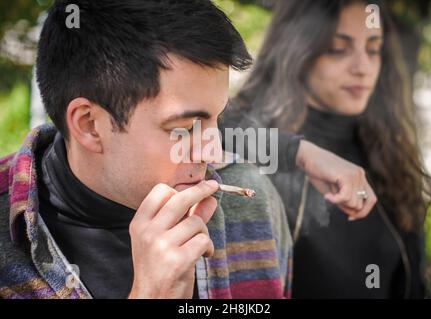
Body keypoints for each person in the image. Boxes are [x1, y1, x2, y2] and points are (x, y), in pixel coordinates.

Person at [1, 0, 374, 299]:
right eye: (184, 129)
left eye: (216, 119)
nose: (212, 154)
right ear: (89, 125)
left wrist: (298, 151)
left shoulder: (250, 202)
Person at [221, 0, 431, 298]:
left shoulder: (389, 150)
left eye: (373, 50)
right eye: (338, 49)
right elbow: (200, 135)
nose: (363, 67)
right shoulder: (246, 136)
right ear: (297, 51)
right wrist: (300, 153)